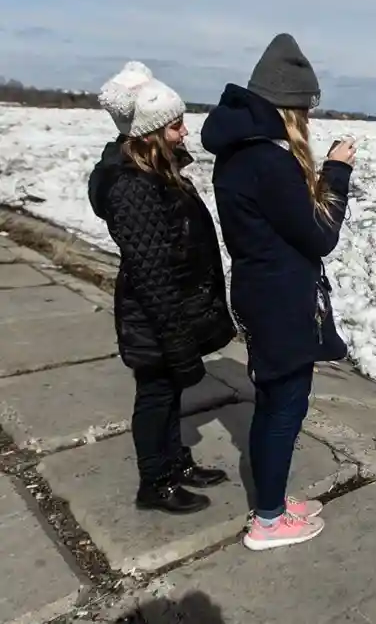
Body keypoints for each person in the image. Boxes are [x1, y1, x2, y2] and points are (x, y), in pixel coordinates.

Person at [201, 33, 356, 551]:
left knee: (274, 401)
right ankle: (267, 520)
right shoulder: (269, 161)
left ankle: (272, 498)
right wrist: (336, 171)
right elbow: (321, 235)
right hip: (280, 302)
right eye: (304, 110)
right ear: (290, 107)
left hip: (260, 292)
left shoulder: (237, 155)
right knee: (283, 408)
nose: (307, 121)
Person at [88, 61, 236, 514]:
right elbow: (152, 273)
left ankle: (175, 462)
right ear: (149, 133)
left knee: (168, 393)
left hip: (168, 313)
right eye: (175, 126)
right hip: (155, 316)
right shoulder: (133, 187)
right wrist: (176, 338)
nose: (184, 133)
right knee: (155, 397)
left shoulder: (153, 172)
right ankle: (156, 482)